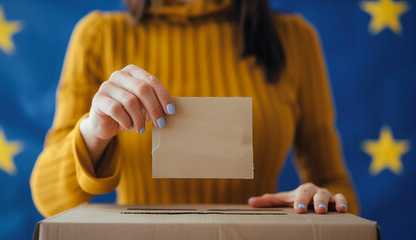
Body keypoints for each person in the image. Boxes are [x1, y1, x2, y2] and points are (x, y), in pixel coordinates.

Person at [30, 0, 359, 217]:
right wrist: (94, 130)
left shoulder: (295, 39)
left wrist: (322, 201)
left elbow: (336, 187)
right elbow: (48, 198)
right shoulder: (100, 36)